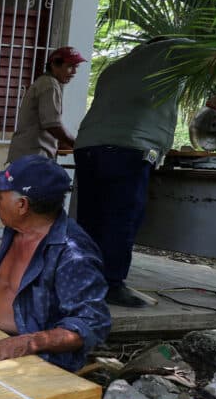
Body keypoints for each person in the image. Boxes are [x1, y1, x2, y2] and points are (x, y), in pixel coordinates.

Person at [0, 155, 111, 373]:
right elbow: (10, 280)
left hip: (30, 357)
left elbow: (92, 323)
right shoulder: (16, 228)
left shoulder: (73, 254)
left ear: (22, 205)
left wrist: (28, 343)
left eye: (0, 196)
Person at [73, 37, 193, 308]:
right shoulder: (175, 49)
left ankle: (83, 280)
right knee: (121, 218)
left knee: (92, 218)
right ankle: (112, 285)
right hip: (130, 147)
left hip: (88, 145)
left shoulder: (116, 67)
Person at [6, 46, 86, 163]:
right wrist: (77, 144)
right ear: (54, 65)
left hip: (27, 155)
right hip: (34, 157)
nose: (74, 72)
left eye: (76, 67)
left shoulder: (44, 82)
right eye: (70, 66)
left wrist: (59, 142)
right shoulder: (50, 85)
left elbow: (46, 124)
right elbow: (52, 125)